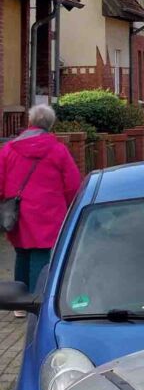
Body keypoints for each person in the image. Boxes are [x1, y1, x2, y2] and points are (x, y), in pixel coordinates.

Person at [0, 105, 81, 316]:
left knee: (22, 253)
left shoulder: (8, 149)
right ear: (50, 125)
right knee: (42, 254)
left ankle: (17, 304)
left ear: (29, 123)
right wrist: (73, 205)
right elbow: (72, 183)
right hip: (49, 210)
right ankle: (36, 301)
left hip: (17, 210)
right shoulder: (58, 149)